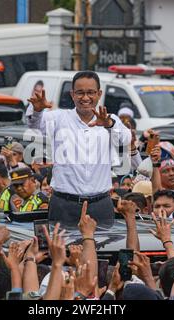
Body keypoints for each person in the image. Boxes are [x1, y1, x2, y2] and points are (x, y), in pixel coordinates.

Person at [27, 70, 131, 228]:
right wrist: (38, 110)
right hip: (64, 204)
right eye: (80, 93)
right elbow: (34, 129)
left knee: (103, 251)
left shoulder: (111, 120)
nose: (85, 98)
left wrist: (109, 125)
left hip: (100, 204)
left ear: (99, 94)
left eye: (91, 92)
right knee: (61, 251)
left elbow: (126, 140)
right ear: (72, 94)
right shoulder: (58, 117)